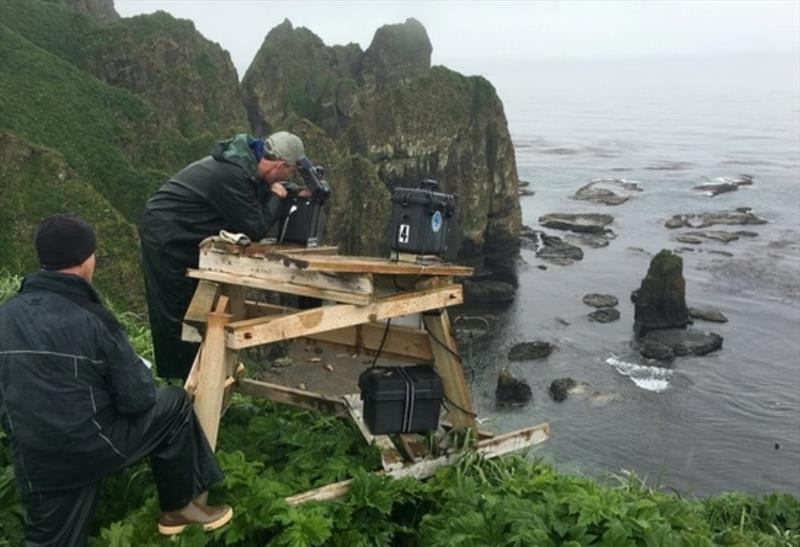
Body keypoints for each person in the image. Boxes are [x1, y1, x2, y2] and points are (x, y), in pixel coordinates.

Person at [0, 215, 232, 546]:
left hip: (33, 457)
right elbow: (139, 399)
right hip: (91, 446)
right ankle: (180, 509)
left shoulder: (6, 314)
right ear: (86, 260)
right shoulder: (94, 319)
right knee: (174, 402)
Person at [139, 131, 307, 380]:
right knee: (177, 310)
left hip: (187, 232)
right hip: (168, 235)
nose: (288, 177)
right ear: (280, 165)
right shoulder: (231, 174)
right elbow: (255, 227)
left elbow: (257, 190)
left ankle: (199, 378)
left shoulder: (244, 165)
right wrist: (276, 196)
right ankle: (182, 387)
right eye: (290, 172)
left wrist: (292, 191)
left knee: (198, 306)